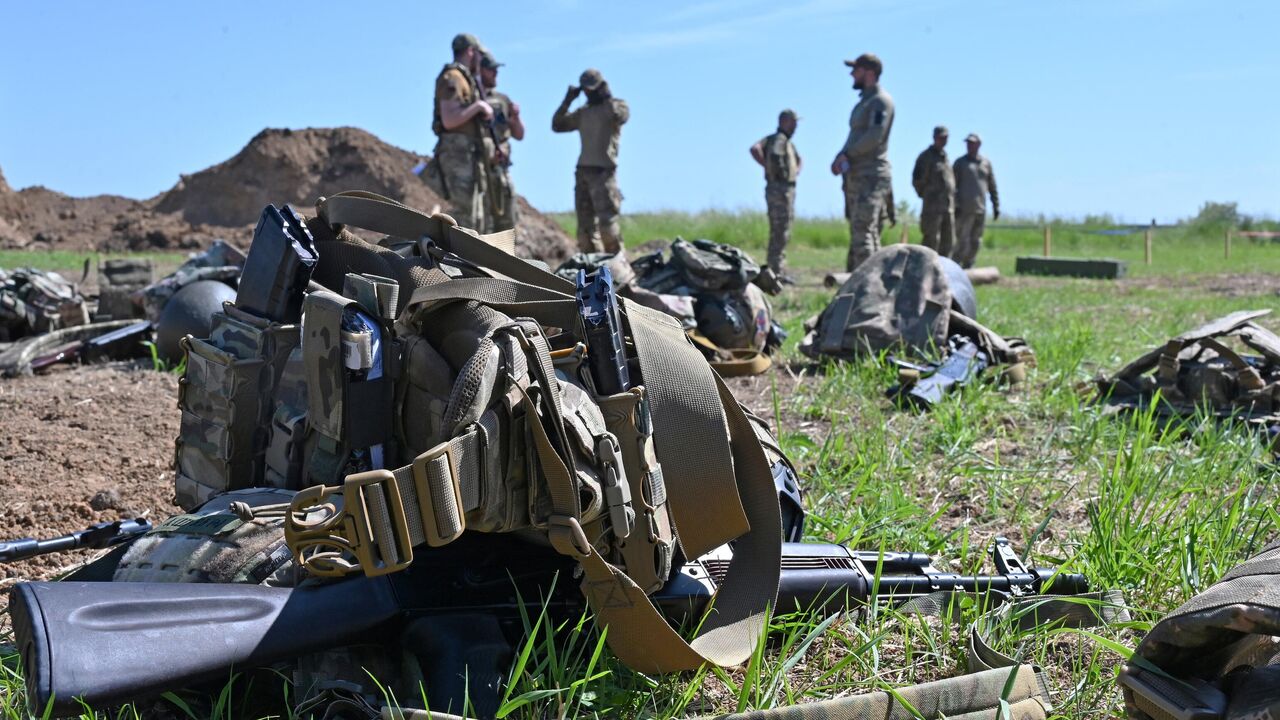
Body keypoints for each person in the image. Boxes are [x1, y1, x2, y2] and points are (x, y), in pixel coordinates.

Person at [552, 68, 630, 254]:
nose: (588, 93)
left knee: (607, 227)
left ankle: (617, 268)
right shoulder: (583, 113)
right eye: (585, 89)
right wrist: (568, 100)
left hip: (604, 173)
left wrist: (607, 97)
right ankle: (592, 270)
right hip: (583, 172)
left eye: (592, 89)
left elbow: (621, 116)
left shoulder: (615, 106)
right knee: (585, 231)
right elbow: (558, 125)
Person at [830, 53, 895, 272]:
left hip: (870, 174)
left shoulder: (879, 102)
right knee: (865, 232)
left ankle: (867, 289)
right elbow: (857, 136)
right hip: (858, 174)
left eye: (855, 70)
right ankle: (873, 282)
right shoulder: (867, 101)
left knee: (863, 233)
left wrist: (847, 155)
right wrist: (842, 155)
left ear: (869, 72)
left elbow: (874, 137)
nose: (851, 74)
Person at [432, 33, 495, 230]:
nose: (481, 60)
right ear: (470, 51)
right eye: (479, 54)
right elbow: (449, 120)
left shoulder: (466, 79)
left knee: (473, 219)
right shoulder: (454, 77)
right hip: (457, 155)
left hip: (468, 155)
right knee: (461, 216)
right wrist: (478, 107)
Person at [749, 109, 802, 278]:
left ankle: (777, 269)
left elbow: (799, 160)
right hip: (780, 189)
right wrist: (768, 167)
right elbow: (756, 149)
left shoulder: (785, 141)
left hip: (784, 188)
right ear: (784, 122)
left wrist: (795, 170)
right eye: (793, 122)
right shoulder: (779, 140)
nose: (795, 127)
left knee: (782, 230)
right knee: (780, 230)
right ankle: (775, 272)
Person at [478, 51, 525, 232]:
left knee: (507, 226)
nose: (495, 74)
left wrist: (515, 117)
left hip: (501, 173)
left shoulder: (502, 100)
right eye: (491, 70)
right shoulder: (473, 100)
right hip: (481, 173)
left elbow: (519, 134)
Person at [952, 133, 1000, 268]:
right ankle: (956, 265)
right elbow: (952, 186)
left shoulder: (985, 163)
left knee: (976, 240)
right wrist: (955, 205)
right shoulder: (960, 163)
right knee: (962, 239)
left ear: (978, 144)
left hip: (980, 208)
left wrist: (996, 205)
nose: (969, 145)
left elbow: (992, 185)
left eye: (972, 143)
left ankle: (969, 264)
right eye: (967, 143)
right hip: (963, 209)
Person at [911, 126, 956, 256]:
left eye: (946, 138)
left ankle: (945, 271)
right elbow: (917, 179)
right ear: (935, 138)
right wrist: (927, 195)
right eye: (941, 138)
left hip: (948, 207)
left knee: (948, 241)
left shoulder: (945, 157)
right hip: (932, 208)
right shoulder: (926, 157)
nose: (943, 140)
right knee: (931, 241)